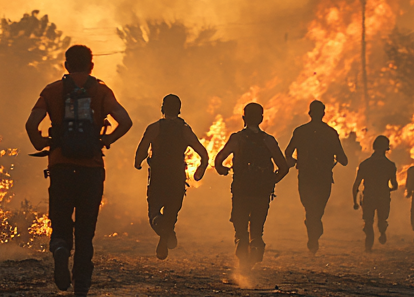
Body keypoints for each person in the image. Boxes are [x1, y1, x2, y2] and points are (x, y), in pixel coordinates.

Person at [26, 45, 133, 297]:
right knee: (86, 230)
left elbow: (31, 124)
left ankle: (61, 248)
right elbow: (126, 120)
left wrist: (40, 144)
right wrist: (106, 139)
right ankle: (81, 288)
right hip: (91, 170)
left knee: (61, 221)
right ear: (91, 66)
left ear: (66, 65)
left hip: (61, 167)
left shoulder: (52, 91)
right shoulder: (101, 91)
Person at [214, 102, 289, 271]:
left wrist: (222, 170)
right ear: (261, 119)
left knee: (240, 228)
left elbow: (219, 160)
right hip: (262, 192)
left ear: (244, 118)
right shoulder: (268, 141)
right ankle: (255, 245)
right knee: (257, 229)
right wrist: (271, 181)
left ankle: (242, 248)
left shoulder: (237, 139)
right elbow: (283, 167)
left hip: (241, 190)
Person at [134, 94, 210, 260]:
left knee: (154, 210)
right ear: (179, 109)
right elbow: (203, 153)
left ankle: (162, 230)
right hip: (176, 176)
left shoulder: (154, 128)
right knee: (172, 211)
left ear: (162, 108)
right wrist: (200, 169)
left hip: (158, 176)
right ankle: (165, 233)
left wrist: (138, 162)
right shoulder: (184, 130)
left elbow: (143, 148)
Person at [283, 100, 349, 255]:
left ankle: (313, 232)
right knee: (318, 209)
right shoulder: (331, 133)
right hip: (323, 178)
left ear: (310, 113)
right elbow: (344, 159)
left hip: (305, 176)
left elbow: (288, 152)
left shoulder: (300, 131)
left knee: (309, 208)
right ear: (324, 113)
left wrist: (294, 162)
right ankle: (315, 231)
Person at [352, 136, 399, 252]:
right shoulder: (390, 165)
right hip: (383, 196)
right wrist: (389, 189)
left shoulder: (365, 164)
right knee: (382, 219)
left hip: (369, 196)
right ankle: (382, 231)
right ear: (386, 148)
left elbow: (356, 184)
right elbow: (394, 185)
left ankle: (369, 245)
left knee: (368, 221)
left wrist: (355, 201)